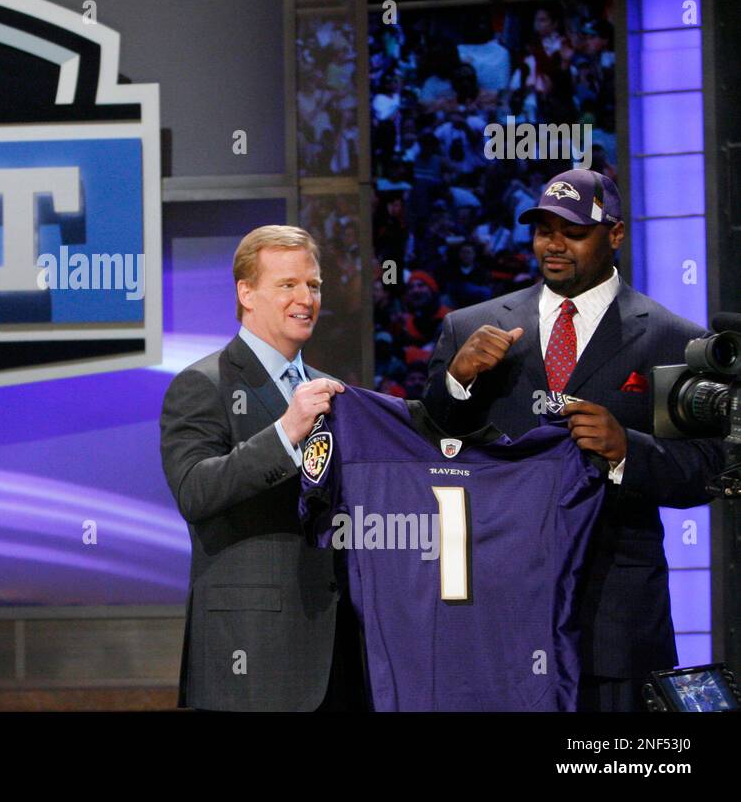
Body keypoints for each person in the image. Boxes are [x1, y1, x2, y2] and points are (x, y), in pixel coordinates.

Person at [424, 169, 723, 711]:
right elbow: (434, 444)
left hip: (615, 616)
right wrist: (455, 382)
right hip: (499, 604)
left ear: (615, 234)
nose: (553, 245)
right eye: (542, 230)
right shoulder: (470, 327)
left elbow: (706, 470)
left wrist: (628, 450)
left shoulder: (675, 340)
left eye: (572, 232)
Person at [159, 225, 360, 711]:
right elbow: (195, 490)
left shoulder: (331, 392)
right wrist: (285, 433)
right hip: (247, 651)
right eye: (287, 284)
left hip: (336, 649)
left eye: (312, 285)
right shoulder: (201, 383)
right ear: (245, 293)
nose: (306, 297)